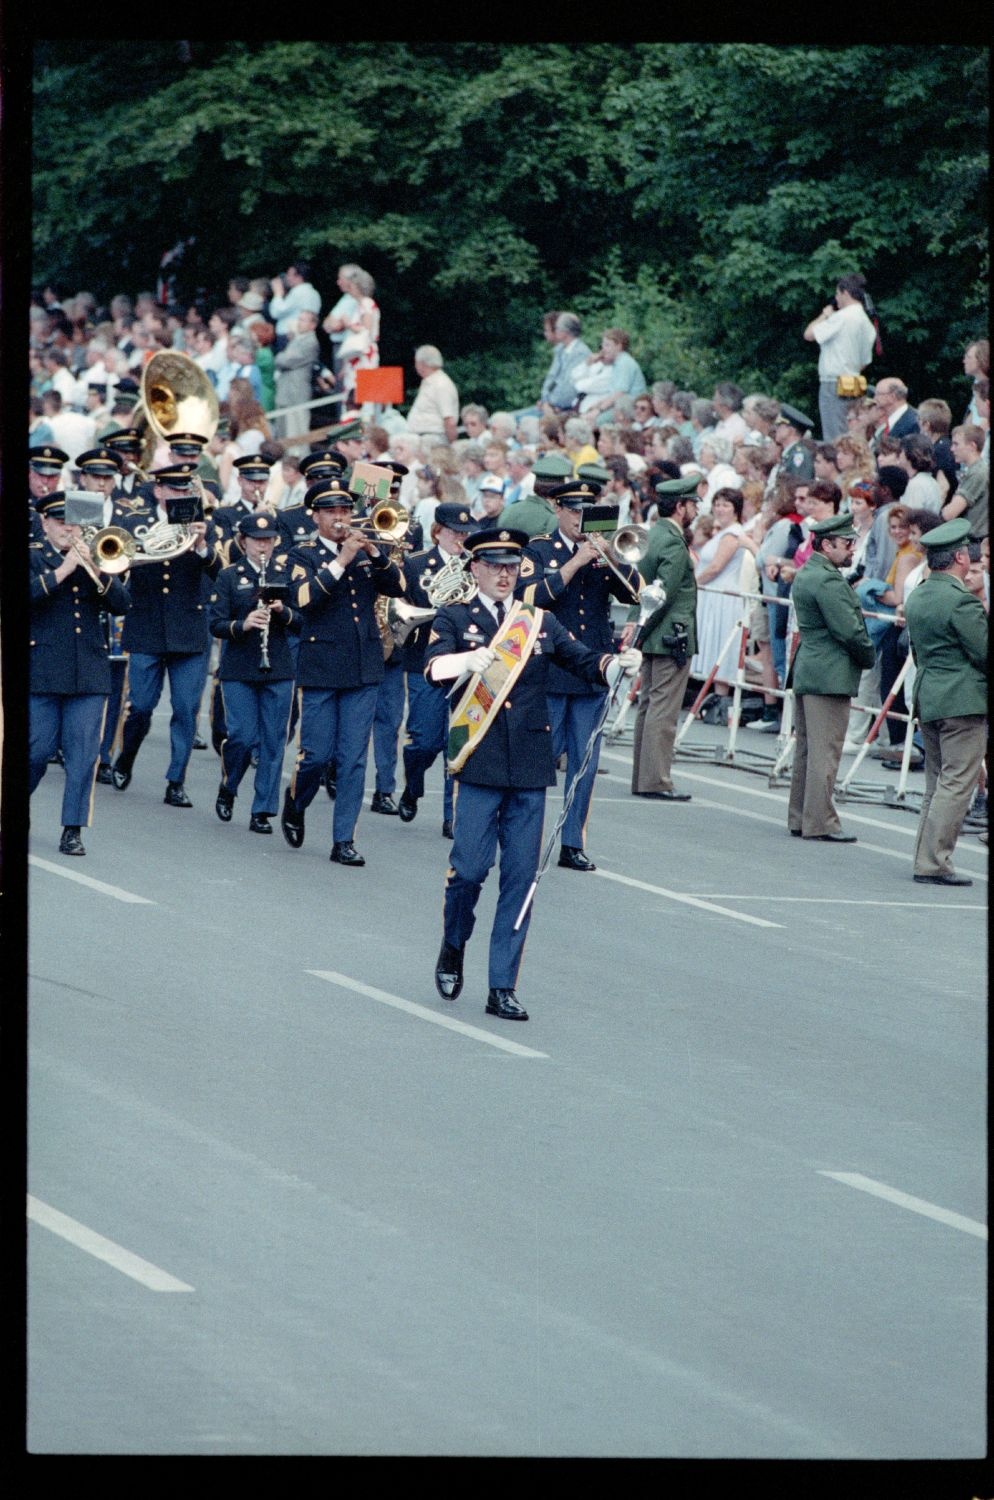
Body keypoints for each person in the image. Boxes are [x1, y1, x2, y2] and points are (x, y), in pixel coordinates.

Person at [426, 528, 635, 1021]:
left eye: (512, 565)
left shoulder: (538, 622)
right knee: (471, 870)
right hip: (479, 762)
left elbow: (581, 660)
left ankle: (502, 985)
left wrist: (615, 664)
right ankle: (454, 941)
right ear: (474, 568)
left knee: (522, 879)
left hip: (530, 764)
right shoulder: (455, 617)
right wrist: (463, 660)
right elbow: (431, 669)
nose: (504, 574)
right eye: (494, 565)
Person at [280, 478, 406, 866]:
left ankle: (343, 840)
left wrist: (376, 553)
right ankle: (296, 801)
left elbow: (399, 587)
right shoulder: (301, 556)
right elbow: (302, 601)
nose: (341, 518)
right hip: (320, 667)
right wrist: (341, 560)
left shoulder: (369, 550)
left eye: (346, 511)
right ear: (315, 516)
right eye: (332, 511)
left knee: (352, 759)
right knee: (315, 756)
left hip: (364, 666)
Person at [516, 478, 640, 870]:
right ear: (557, 509)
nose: (579, 519)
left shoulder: (604, 553)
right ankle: (522, 833)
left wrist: (613, 560)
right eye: (573, 511)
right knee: (540, 757)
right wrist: (574, 563)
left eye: (586, 512)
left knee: (584, 763)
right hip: (551, 669)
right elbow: (529, 598)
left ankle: (572, 842)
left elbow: (636, 594)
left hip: (592, 670)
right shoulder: (539, 549)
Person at [110, 462, 221, 805]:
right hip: (146, 626)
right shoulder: (133, 523)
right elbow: (115, 566)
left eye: (186, 490)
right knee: (140, 706)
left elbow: (218, 572)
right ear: (158, 490)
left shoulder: (202, 525)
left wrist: (201, 545)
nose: (181, 496)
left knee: (186, 709)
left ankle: (176, 780)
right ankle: (126, 756)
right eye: (173, 489)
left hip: (189, 629)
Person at [29, 492, 132, 855]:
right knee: (35, 751)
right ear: (44, 523)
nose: (67, 528)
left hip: (88, 671)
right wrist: (64, 569)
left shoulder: (93, 558)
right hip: (41, 670)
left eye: (73, 522)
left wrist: (98, 569)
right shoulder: (32, 556)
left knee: (84, 756)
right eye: (60, 522)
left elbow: (121, 604)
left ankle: (72, 829)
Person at [902, 518, 987, 885]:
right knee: (956, 783)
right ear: (958, 558)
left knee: (936, 783)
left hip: (930, 694)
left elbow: (918, 650)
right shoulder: (960, 602)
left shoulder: (919, 594)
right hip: (962, 699)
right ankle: (934, 861)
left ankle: (926, 855)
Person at [209, 512, 301, 833]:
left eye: (269, 540)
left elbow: (304, 620)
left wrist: (283, 612)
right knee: (243, 737)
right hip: (239, 667)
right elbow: (216, 623)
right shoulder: (229, 576)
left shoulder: (286, 573)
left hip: (278, 666)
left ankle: (262, 809)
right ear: (243, 541)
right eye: (257, 540)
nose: (264, 546)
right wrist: (244, 624)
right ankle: (229, 784)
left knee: (274, 740)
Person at [786, 512, 875, 841]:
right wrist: (868, 656)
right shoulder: (827, 580)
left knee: (808, 750)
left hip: (811, 666)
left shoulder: (810, 573)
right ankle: (820, 821)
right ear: (827, 544)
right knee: (824, 751)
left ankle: (801, 816)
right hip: (829, 672)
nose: (852, 549)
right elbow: (850, 631)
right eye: (847, 544)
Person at [396, 501, 477, 833]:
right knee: (426, 740)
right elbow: (400, 607)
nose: (460, 539)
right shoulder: (416, 564)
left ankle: (451, 816)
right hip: (423, 661)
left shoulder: (476, 565)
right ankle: (413, 786)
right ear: (438, 532)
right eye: (454, 532)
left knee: (457, 744)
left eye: (464, 533)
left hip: (465, 663)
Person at [628, 474, 701, 802]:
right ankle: (655, 779)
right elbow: (664, 594)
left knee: (648, 705)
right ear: (681, 506)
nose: (697, 509)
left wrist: (639, 627)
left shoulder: (653, 534)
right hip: (670, 633)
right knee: (663, 709)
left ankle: (644, 775)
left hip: (654, 633)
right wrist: (642, 626)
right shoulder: (672, 540)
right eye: (693, 503)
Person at [690, 487, 746, 709]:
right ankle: (711, 696)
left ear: (735, 510)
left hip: (723, 596)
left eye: (725, 505)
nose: (719, 509)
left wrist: (691, 585)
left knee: (721, 643)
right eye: (717, 504)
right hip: (712, 595)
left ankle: (720, 699)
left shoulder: (732, 534)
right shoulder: (722, 532)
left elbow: (715, 567)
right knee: (711, 642)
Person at [803, 274, 878, 440]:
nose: (836, 298)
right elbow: (864, 363)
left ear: (846, 293)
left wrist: (825, 315)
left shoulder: (841, 317)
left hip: (834, 383)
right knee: (854, 434)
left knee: (835, 436)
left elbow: (808, 334)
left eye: (837, 294)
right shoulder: (866, 323)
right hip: (855, 383)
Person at [273, 308, 320, 437]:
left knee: (297, 434)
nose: (299, 323)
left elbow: (285, 360)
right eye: (299, 319)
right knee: (283, 433)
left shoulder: (310, 342)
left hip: (296, 394)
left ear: (312, 325)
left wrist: (280, 356)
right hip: (285, 392)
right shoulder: (296, 340)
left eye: (303, 320)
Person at [406, 345, 459, 446]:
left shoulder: (441, 384)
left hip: (433, 438)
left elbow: (449, 420)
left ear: (422, 363)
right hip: (423, 437)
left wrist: (451, 445)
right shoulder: (430, 382)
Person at [941, 424, 988, 537]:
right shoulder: (975, 470)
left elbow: (949, 514)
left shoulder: (977, 473)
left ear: (972, 446)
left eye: (956, 444)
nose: (952, 449)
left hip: (973, 542)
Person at [268, 261, 321, 344]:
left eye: (289, 275)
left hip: (289, 335)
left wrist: (278, 294)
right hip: (307, 334)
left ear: (299, 277)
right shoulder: (314, 293)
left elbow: (276, 312)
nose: (287, 278)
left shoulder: (297, 292)